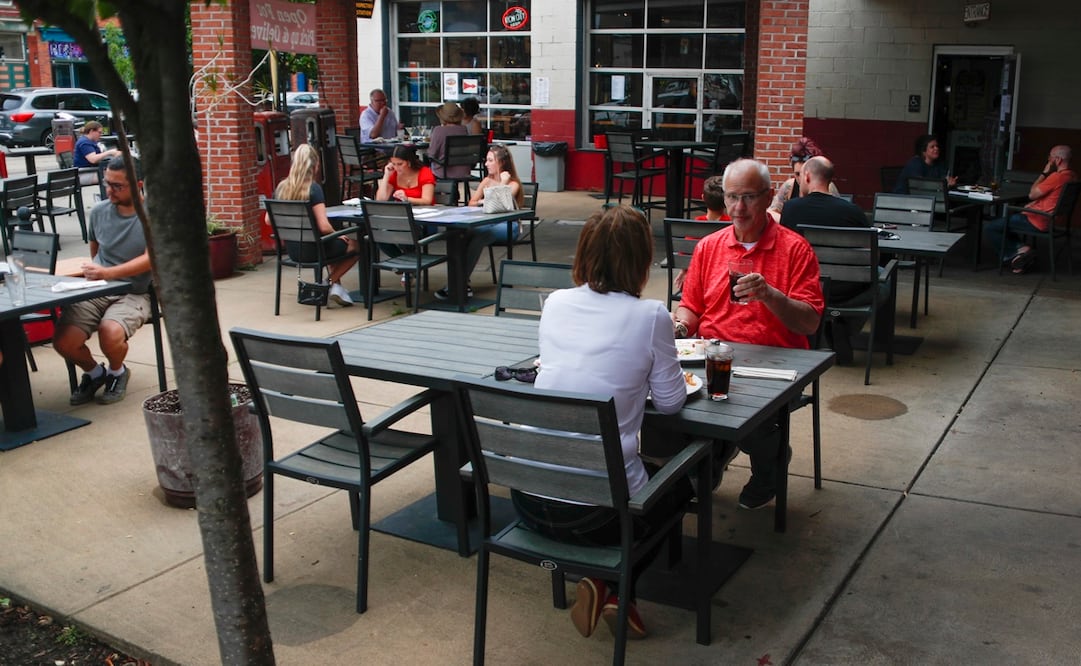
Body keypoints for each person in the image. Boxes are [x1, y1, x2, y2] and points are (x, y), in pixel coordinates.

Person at [521, 205, 690, 641]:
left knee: (633, 473)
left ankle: (611, 590)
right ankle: (612, 585)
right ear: (641, 261)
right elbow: (670, 404)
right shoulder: (651, 316)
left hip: (527, 502)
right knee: (681, 486)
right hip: (600, 517)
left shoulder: (555, 303)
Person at [668, 158, 823, 510]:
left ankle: (768, 466)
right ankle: (707, 459)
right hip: (714, 356)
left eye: (749, 197)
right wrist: (679, 327)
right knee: (667, 400)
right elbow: (691, 306)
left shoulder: (795, 249)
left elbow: (810, 323)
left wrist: (770, 295)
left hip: (775, 361)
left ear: (769, 197)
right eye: (732, 197)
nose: (739, 207)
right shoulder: (710, 247)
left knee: (753, 412)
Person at [54, 157, 151, 406]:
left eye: (117, 186)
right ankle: (95, 373)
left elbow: (152, 258)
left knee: (110, 332)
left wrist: (108, 273)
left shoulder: (153, 214)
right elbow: (96, 250)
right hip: (99, 288)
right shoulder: (99, 212)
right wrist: (100, 274)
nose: (109, 191)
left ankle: (117, 372)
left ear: (138, 184)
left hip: (136, 290)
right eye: (107, 184)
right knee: (64, 342)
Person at [780, 155, 876, 363]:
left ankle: (832, 326)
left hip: (805, 288)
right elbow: (869, 254)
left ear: (806, 177)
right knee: (884, 284)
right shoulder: (853, 211)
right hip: (848, 291)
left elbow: (784, 247)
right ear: (830, 180)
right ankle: (843, 327)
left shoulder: (791, 208)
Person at [270, 144, 360, 306]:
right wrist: (338, 234)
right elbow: (324, 227)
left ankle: (337, 287)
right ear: (316, 165)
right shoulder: (313, 189)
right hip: (314, 250)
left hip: (293, 250)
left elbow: (268, 220)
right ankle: (328, 283)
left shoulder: (281, 188)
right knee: (355, 244)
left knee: (335, 244)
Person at [442, 145, 526, 300]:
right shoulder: (486, 180)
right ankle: (461, 282)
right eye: (486, 160)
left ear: (501, 163)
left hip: (508, 226)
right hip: (486, 223)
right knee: (461, 234)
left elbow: (499, 204)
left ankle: (456, 284)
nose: (486, 164)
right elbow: (471, 203)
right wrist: (482, 201)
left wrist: (503, 182)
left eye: (490, 160)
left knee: (482, 236)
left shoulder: (512, 184)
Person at [984, 145, 1076, 274]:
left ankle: (1016, 253)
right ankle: (1021, 253)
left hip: (1037, 220)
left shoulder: (1056, 177)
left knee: (992, 227)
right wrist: (1034, 204)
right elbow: (1052, 198)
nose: (1048, 160)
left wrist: (1044, 173)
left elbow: (1032, 194)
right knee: (1007, 224)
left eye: (1050, 157)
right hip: (1052, 220)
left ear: (1058, 160)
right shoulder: (1072, 176)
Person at [672, 174, 731, 293]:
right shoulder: (731, 225)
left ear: (703, 198)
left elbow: (685, 253)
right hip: (722, 282)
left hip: (698, 283)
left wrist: (684, 270)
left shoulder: (696, 225)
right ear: (726, 200)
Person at [767, 136, 838, 222]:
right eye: (797, 174)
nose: (802, 179)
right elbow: (771, 212)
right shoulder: (790, 186)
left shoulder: (828, 188)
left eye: (804, 174)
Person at [893, 134, 957, 193]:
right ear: (923, 151)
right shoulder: (915, 164)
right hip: (904, 200)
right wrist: (943, 185)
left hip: (926, 199)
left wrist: (949, 182)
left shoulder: (938, 165)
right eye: (932, 147)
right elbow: (920, 187)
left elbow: (944, 180)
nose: (936, 148)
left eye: (937, 146)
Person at [427, 102, 470, 179]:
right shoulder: (463, 129)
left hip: (444, 171)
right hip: (464, 171)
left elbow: (432, 154)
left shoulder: (438, 130)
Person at [73, 121, 122, 185]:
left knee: (117, 173)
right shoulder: (85, 143)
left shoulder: (90, 141)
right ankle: (108, 194)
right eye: (99, 132)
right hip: (84, 174)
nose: (100, 135)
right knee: (116, 176)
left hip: (91, 171)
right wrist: (110, 152)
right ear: (91, 131)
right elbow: (93, 159)